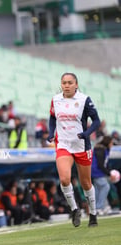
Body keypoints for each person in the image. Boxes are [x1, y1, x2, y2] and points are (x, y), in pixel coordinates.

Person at [48, 72, 101, 227]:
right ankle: (74, 209)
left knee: (86, 182)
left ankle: (93, 213)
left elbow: (96, 121)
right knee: (64, 179)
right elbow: (52, 117)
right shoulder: (56, 100)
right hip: (63, 144)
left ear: (76, 84)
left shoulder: (84, 100)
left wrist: (87, 134)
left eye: (70, 82)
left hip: (81, 145)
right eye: (64, 82)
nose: (67, 85)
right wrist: (51, 133)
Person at [91, 136, 115, 215]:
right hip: (96, 171)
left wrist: (109, 172)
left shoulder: (106, 150)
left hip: (99, 172)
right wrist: (109, 174)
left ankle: (102, 207)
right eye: (111, 143)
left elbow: (105, 163)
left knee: (98, 190)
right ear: (107, 142)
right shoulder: (100, 150)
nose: (112, 144)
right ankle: (99, 207)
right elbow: (101, 164)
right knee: (105, 187)